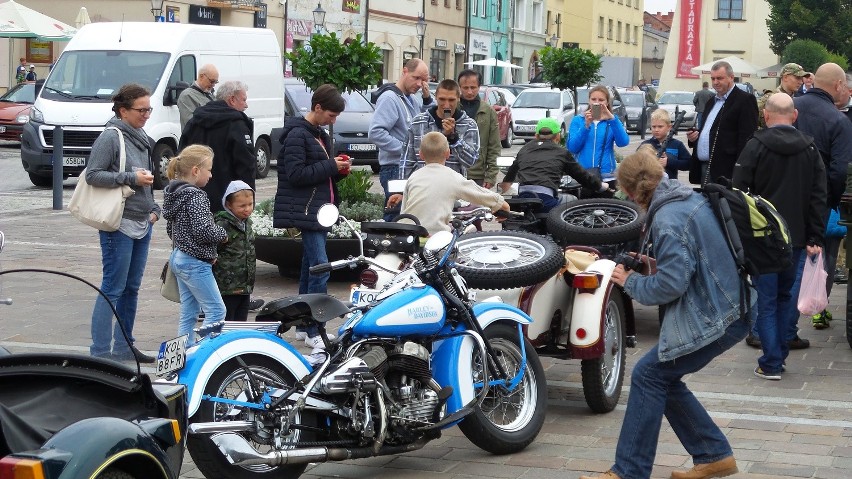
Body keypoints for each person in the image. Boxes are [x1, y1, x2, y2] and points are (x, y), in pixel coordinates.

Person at [581, 148, 751, 479]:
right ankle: (714, 455)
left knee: (648, 375)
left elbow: (671, 285)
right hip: (733, 305)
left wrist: (630, 282)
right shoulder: (684, 198)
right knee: (661, 377)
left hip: (719, 315)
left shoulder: (668, 218)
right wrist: (649, 266)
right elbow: (688, 264)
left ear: (631, 191)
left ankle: (629, 471)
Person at [732, 93, 826, 379]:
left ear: (767, 116)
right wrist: (815, 236)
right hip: (796, 238)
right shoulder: (810, 150)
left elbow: (739, 192)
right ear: (794, 116)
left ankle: (772, 361)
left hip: (762, 238)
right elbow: (818, 196)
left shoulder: (755, 147)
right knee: (786, 297)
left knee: (767, 298)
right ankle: (778, 355)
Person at [86, 83, 160, 363]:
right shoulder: (110, 136)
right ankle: (101, 352)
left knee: (132, 288)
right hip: (119, 223)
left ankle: (124, 346)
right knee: (113, 287)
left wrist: (154, 208)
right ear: (123, 110)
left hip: (143, 221)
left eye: (149, 109)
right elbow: (92, 175)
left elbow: (148, 178)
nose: (147, 114)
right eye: (142, 110)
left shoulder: (140, 135)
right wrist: (130, 178)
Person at [273, 84, 349, 349]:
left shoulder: (317, 133)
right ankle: (315, 327)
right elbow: (295, 175)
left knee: (310, 267)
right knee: (320, 267)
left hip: (318, 210)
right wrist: (330, 165)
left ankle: (304, 325)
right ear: (317, 108)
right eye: (331, 114)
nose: (333, 120)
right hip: (308, 210)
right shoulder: (297, 135)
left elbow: (316, 172)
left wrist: (338, 170)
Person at [794, 62, 852, 329]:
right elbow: (840, 170)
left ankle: (782, 320)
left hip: (785, 197)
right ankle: (817, 305)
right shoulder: (838, 119)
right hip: (821, 200)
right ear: (839, 85)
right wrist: (832, 199)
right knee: (824, 253)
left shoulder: (791, 107)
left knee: (788, 256)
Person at [162, 144, 228, 341]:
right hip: (193, 262)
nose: (210, 175)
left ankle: (184, 354)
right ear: (195, 171)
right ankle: (206, 353)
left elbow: (171, 229)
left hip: (179, 258)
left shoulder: (174, 194)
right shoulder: (196, 196)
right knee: (216, 311)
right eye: (209, 170)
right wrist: (223, 234)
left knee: (189, 313)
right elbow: (203, 231)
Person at [388, 131, 508, 236]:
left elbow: (404, 210)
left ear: (421, 154)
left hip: (408, 233)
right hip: (434, 235)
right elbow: (478, 193)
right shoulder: (453, 177)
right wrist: (501, 203)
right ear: (448, 153)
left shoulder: (414, 177)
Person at [179, 80, 256, 215]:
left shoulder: (195, 120)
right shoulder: (237, 125)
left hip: (195, 198)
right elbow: (246, 165)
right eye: (243, 100)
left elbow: (181, 155)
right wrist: (247, 199)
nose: (246, 105)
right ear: (232, 99)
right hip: (228, 201)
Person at [500, 117, 607, 212]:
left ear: (536, 135)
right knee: (571, 201)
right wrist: (600, 186)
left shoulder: (524, 149)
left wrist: (504, 190)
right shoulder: (562, 152)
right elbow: (582, 176)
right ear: (558, 136)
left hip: (523, 197)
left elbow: (510, 176)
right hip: (546, 199)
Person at [369, 59, 433, 207]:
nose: (419, 84)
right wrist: (406, 150)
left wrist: (427, 99)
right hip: (394, 168)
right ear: (405, 71)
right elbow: (375, 133)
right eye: (416, 78)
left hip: (408, 167)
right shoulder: (389, 98)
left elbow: (426, 123)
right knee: (396, 218)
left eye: (423, 80)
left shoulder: (411, 99)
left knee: (410, 216)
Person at [686, 61, 759, 186]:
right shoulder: (711, 102)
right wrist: (694, 138)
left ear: (731, 77)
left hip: (726, 170)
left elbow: (747, 138)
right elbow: (710, 131)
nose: (715, 82)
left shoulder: (745, 100)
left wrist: (739, 170)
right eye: (713, 78)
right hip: (705, 167)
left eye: (719, 78)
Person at [399, 79, 479, 179]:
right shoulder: (419, 122)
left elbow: (470, 161)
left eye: (451, 100)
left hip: (453, 188)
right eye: (442, 99)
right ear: (435, 97)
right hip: (423, 186)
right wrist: (402, 190)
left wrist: (454, 138)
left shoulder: (469, 124)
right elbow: (407, 161)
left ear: (458, 98)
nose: (446, 105)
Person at [567, 84, 630, 190]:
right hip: (583, 175)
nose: (597, 102)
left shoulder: (612, 121)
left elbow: (623, 142)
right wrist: (586, 126)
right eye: (593, 99)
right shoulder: (578, 120)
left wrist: (612, 119)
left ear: (607, 102)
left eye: (601, 100)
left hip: (606, 175)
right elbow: (572, 148)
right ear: (589, 101)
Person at [214, 180, 258, 322]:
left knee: (241, 318)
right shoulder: (222, 223)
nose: (247, 209)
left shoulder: (247, 223)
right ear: (228, 205)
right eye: (242, 206)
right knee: (228, 318)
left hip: (245, 283)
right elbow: (213, 249)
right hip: (227, 284)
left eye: (250, 204)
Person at [458, 69, 500, 189]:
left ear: (479, 87)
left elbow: (494, 146)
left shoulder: (488, 111)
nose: (469, 92)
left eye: (473, 87)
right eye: (465, 88)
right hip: (454, 171)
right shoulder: (453, 108)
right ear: (459, 87)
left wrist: (491, 175)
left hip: (478, 175)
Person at [640, 109, 691, 181]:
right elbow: (636, 164)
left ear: (669, 127)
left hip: (670, 185)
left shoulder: (677, 144)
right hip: (649, 185)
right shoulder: (645, 144)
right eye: (654, 127)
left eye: (660, 126)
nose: (656, 130)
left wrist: (669, 162)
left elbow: (688, 164)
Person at [757, 62, 806, 128]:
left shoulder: (797, 100)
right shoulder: (769, 99)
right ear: (785, 77)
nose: (801, 82)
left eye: (801, 78)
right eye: (797, 78)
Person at [177, 64, 219, 129]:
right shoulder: (187, 95)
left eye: (215, 82)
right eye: (211, 81)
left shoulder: (210, 94)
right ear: (201, 76)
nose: (213, 85)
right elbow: (192, 123)